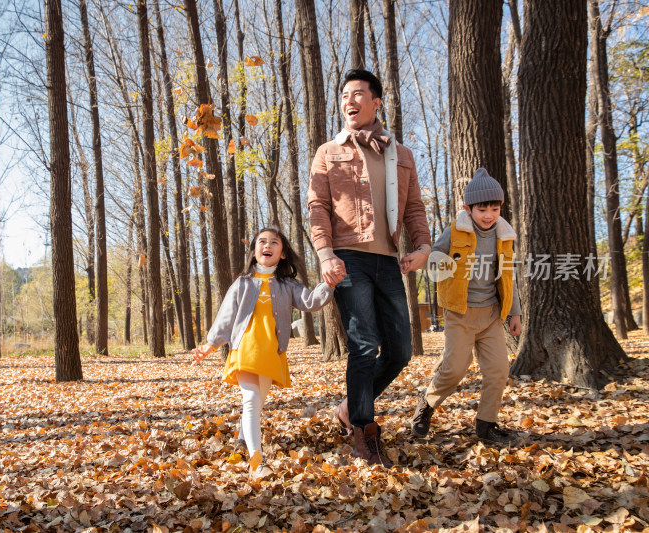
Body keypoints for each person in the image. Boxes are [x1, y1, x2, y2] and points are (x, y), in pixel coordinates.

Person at [307, 69, 431, 465]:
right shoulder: (329, 152)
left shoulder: (401, 154)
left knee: (401, 350)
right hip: (348, 259)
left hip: (389, 260)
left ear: (376, 102)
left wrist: (424, 246)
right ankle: (363, 428)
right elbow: (317, 207)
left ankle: (348, 406)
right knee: (363, 345)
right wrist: (326, 254)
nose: (349, 101)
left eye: (358, 94)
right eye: (344, 95)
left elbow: (414, 207)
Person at [192, 227, 338, 479]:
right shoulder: (242, 283)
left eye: (274, 242)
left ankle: (241, 438)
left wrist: (328, 283)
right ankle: (257, 461)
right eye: (262, 241)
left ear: (282, 254)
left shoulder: (287, 285)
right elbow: (226, 317)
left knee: (257, 403)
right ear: (254, 250)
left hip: (272, 352)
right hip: (246, 349)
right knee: (250, 399)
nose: (267, 245)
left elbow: (310, 301)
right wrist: (210, 344)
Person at [411, 168, 522, 445]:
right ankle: (427, 403)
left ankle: (486, 425)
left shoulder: (504, 235)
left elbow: (509, 276)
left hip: (491, 315)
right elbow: (435, 254)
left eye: (494, 208)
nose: (488, 214)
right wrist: (443, 264)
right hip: (460, 312)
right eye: (482, 208)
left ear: (500, 208)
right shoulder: (455, 231)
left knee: (498, 369)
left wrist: (515, 312)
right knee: (455, 368)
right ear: (467, 208)